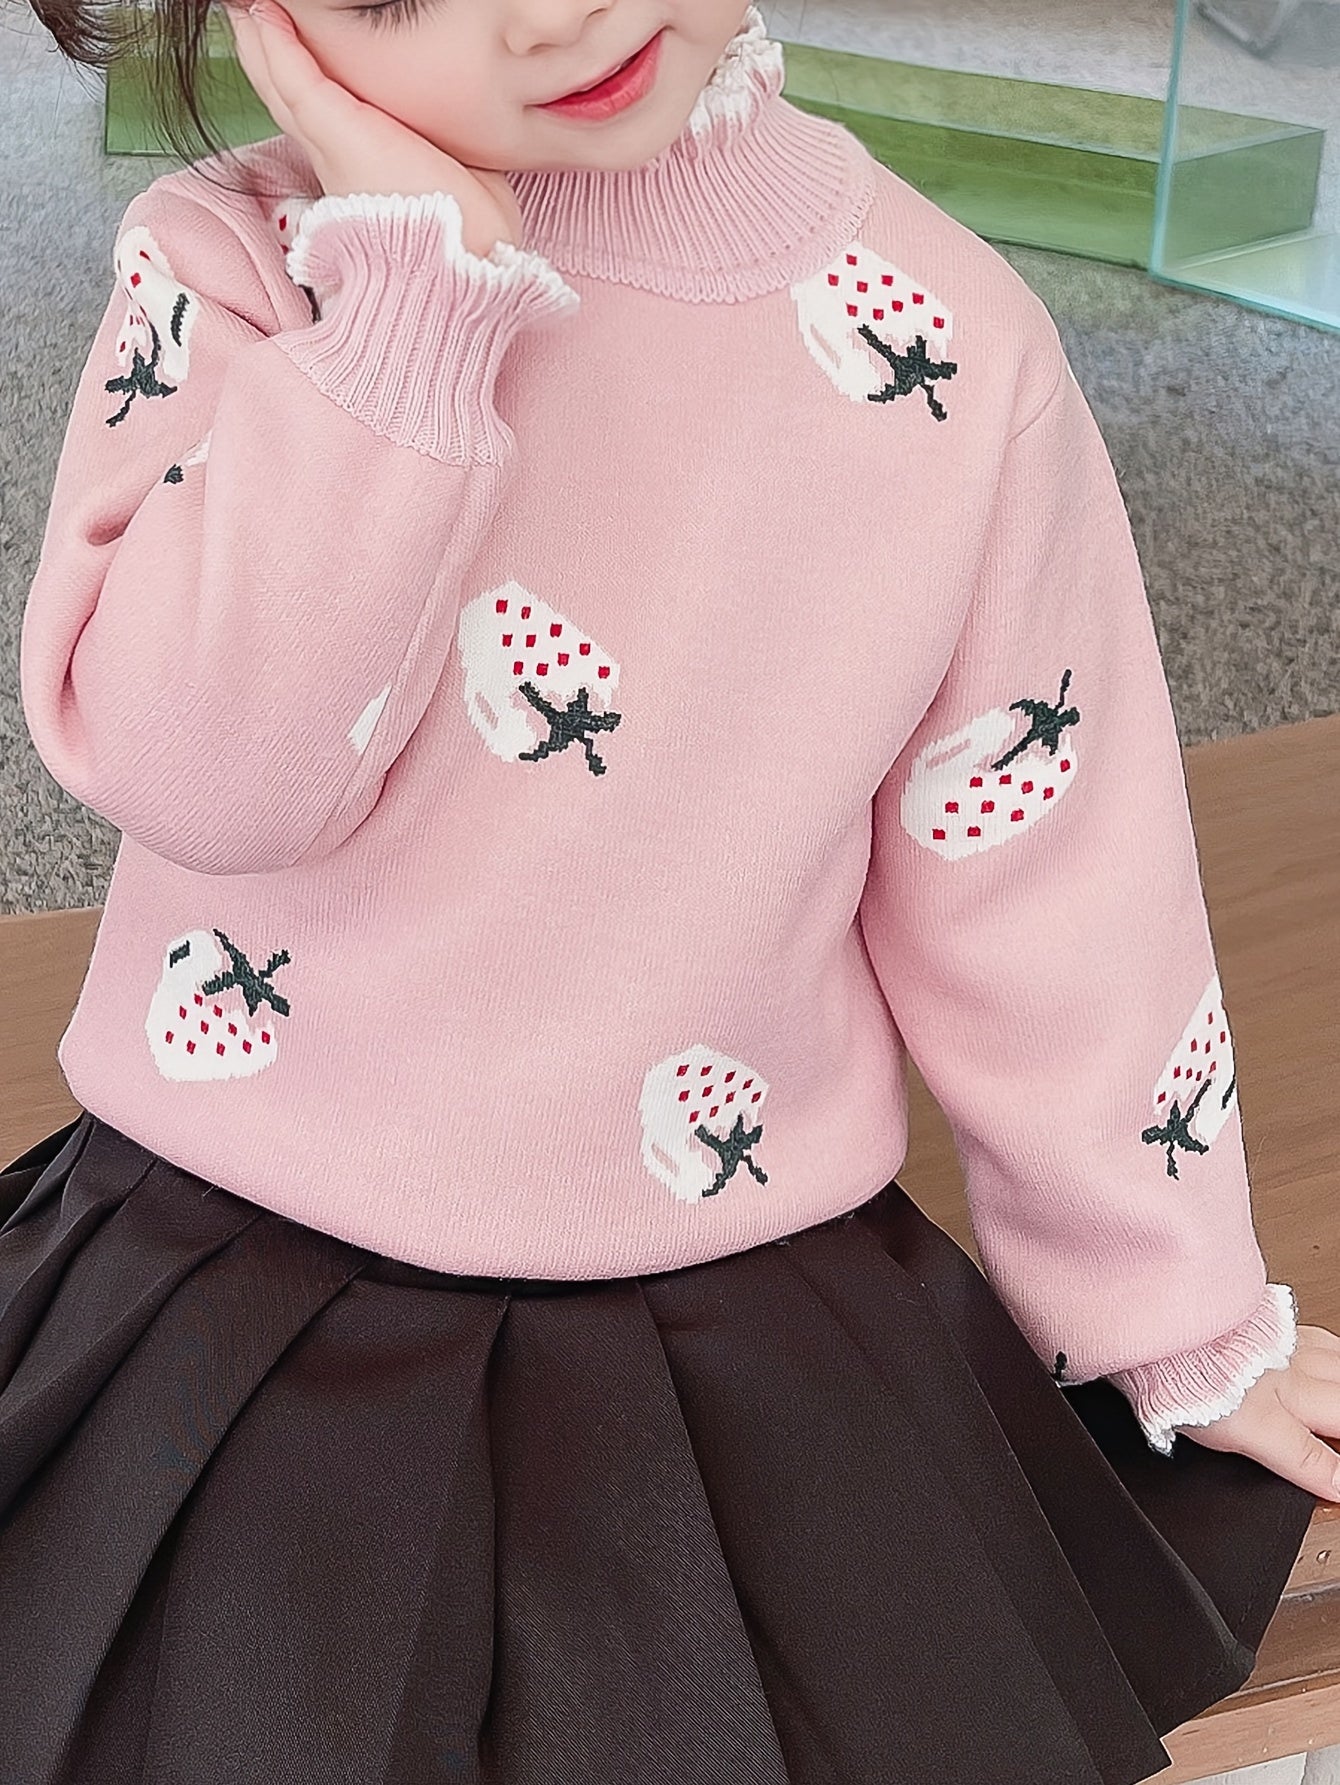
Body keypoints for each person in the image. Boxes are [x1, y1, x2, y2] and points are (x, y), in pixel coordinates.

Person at [0, 0, 1334, 1777]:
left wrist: (1177, 1311)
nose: (562, 12)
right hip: (223, 1278)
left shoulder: (951, 344)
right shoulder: (234, 275)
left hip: (721, 1307)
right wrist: (407, 312)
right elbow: (207, 769)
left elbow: (1051, 880)